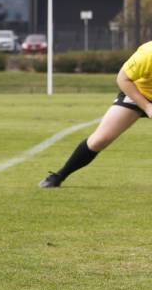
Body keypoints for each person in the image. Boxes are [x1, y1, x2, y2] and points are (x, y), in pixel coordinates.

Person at [41, 40, 152, 188]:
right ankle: (60, 175)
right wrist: (147, 106)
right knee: (99, 140)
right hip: (137, 94)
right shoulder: (147, 53)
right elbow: (122, 79)